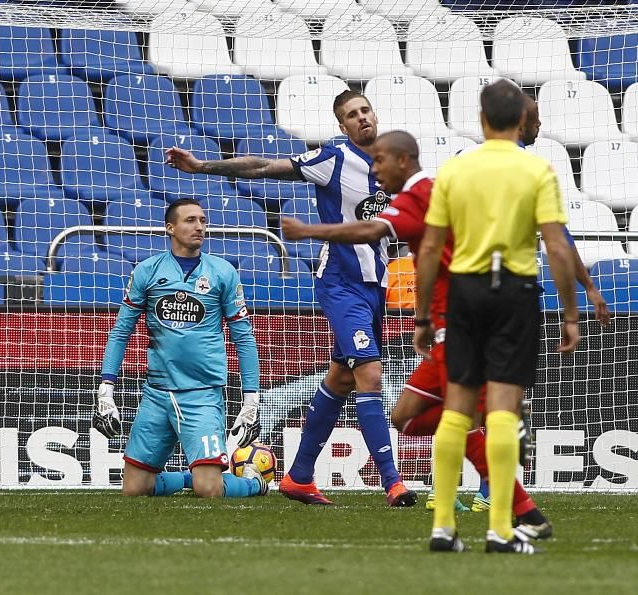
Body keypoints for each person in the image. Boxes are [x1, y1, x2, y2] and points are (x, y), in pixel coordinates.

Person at [280, 129, 604, 541]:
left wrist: (310, 233)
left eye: (379, 161)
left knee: (457, 414)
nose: (374, 169)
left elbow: (374, 233)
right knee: (408, 416)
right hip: (471, 318)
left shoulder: (421, 195)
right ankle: (494, 465)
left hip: (464, 322)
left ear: (402, 160)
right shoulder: (441, 190)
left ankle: (478, 521)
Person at [166, 91, 415, 507]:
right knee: (370, 376)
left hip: (376, 287)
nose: (361, 119)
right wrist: (203, 166)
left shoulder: (392, 164)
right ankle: (393, 483)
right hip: (340, 283)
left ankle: (298, 477)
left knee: (339, 380)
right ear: (342, 126)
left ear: (376, 113)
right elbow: (265, 166)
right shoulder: (334, 159)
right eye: (351, 115)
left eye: (365, 110)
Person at [415, 80, 579, 554]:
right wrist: (570, 313)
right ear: (521, 122)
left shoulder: (455, 172)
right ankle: (500, 530)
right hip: (514, 290)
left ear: (483, 119)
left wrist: (423, 314)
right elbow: (556, 246)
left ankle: (443, 528)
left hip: (464, 293)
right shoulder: (537, 170)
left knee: (457, 408)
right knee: (503, 409)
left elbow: (429, 248)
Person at [93, 198, 268, 499]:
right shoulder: (147, 271)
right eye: (190, 220)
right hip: (156, 394)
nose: (199, 226)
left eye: (202, 220)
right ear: (170, 227)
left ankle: (255, 484)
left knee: (210, 490)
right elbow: (121, 331)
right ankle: (193, 476)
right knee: (134, 490)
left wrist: (251, 401)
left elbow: (243, 336)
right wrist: (105, 391)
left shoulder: (223, 272)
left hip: (202, 395)